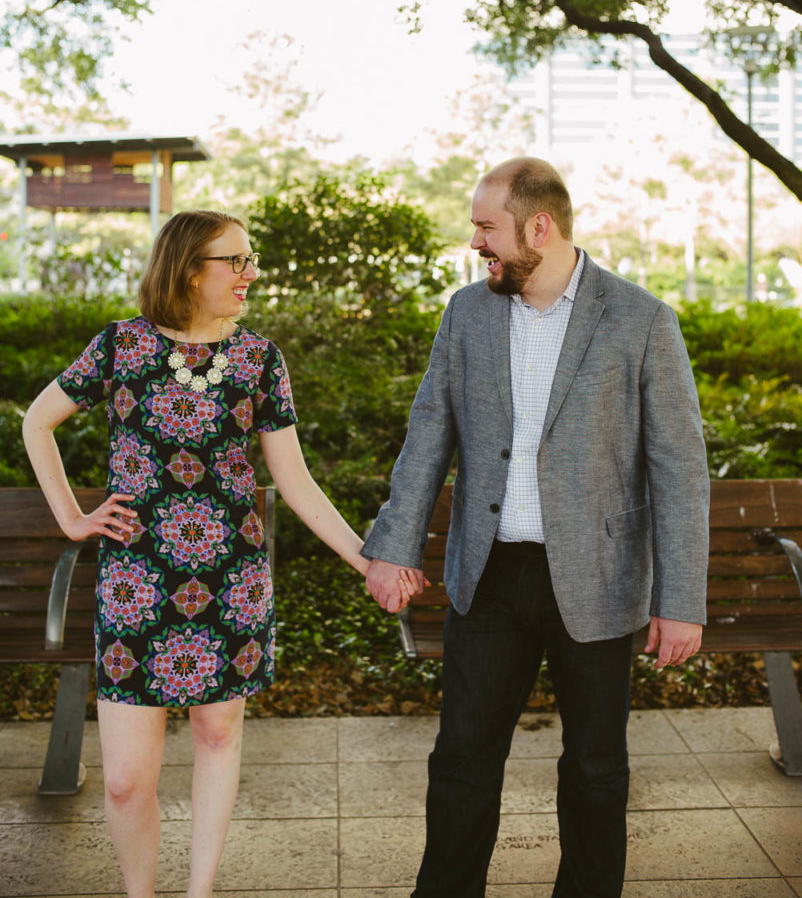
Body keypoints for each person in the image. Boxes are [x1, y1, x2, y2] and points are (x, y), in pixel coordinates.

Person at [23, 209, 412, 898]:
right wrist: (72, 518)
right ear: (187, 268)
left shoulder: (260, 360)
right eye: (234, 261)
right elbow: (37, 420)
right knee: (122, 781)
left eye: (249, 258)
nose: (249, 273)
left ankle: (200, 892)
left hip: (227, 584)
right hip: (136, 585)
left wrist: (367, 559)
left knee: (214, 738)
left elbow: (295, 482)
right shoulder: (121, 348)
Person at [361, 157, 710, 898]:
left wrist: (681, 599)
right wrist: (392, 548)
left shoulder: (641, 319)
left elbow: (678, 468)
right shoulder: (467, 312)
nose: (476, 243)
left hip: (599, 582)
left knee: (594, 768)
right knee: (461, 760)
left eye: (488, 227)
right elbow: (429, 434)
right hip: (488, 580)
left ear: (539, 228)